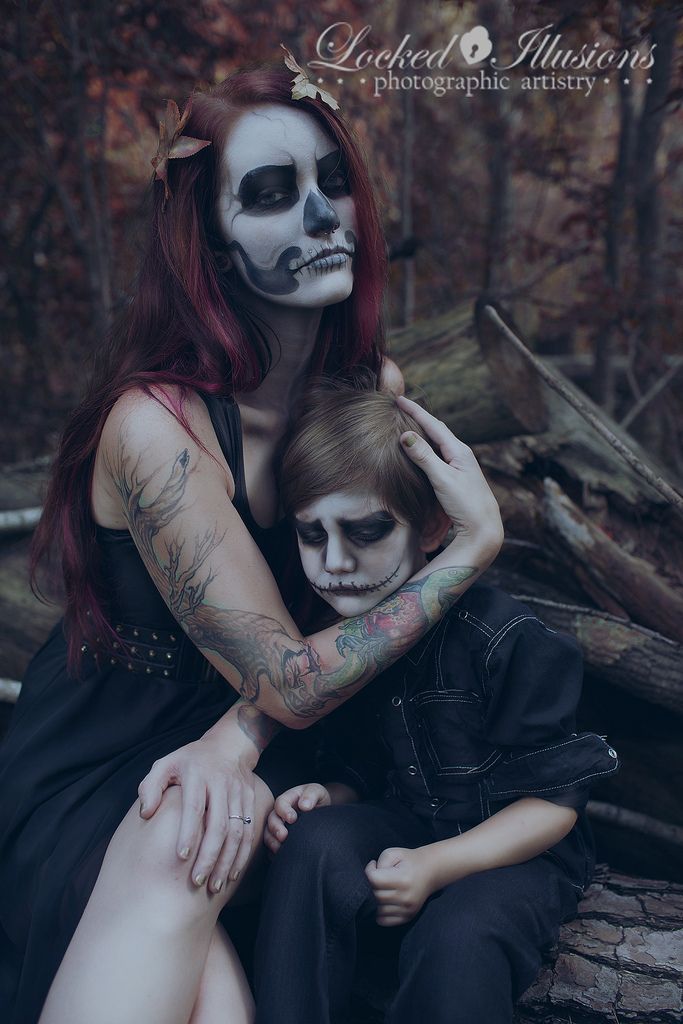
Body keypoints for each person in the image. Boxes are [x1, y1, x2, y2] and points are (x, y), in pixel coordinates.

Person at [0, 67, 503, 1024]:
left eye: (332, 180)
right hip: (110, 758)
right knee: (193, 886)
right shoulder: (154, 430)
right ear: (217, 246)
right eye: (270, 195)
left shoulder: (366, 389)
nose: (321, 215)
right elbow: (294, 675)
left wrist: (236, 741)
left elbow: (309, 647)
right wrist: (466, 551)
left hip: (262, 748)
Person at [254, 381, 620, 1024]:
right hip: (409, 823)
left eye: (366, 531)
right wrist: (329, 796)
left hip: (514, 853)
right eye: (313, 535)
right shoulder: (349, 647)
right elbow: (367, 766)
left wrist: (434, 866)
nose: (335, 562)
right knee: (313, 842)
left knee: (459, 935)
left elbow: (556, 804)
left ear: (432, 526)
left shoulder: (502, 638)